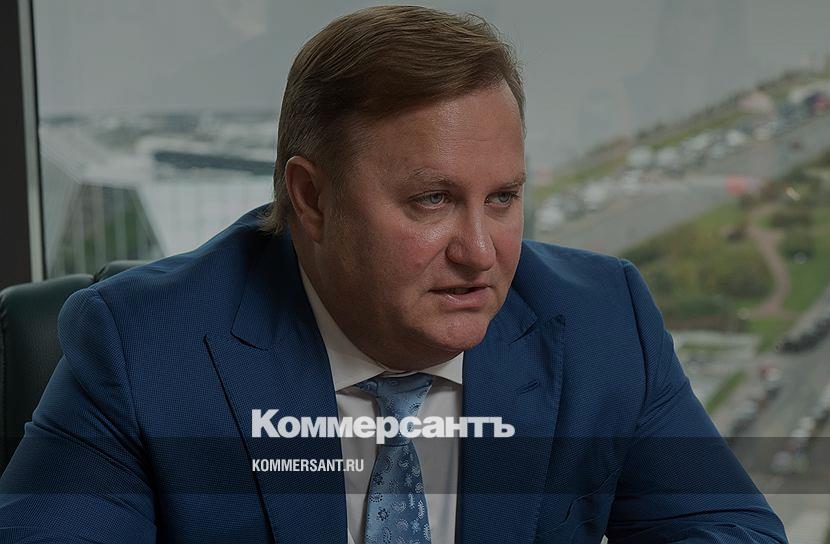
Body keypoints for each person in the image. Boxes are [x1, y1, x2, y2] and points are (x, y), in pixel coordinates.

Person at [0, 6, 787, 543]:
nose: (480, 251)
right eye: (432, 200)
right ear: (312, 198)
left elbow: (734, 530)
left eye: (503, 199)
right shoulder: (144, 346)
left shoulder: (601, 320)